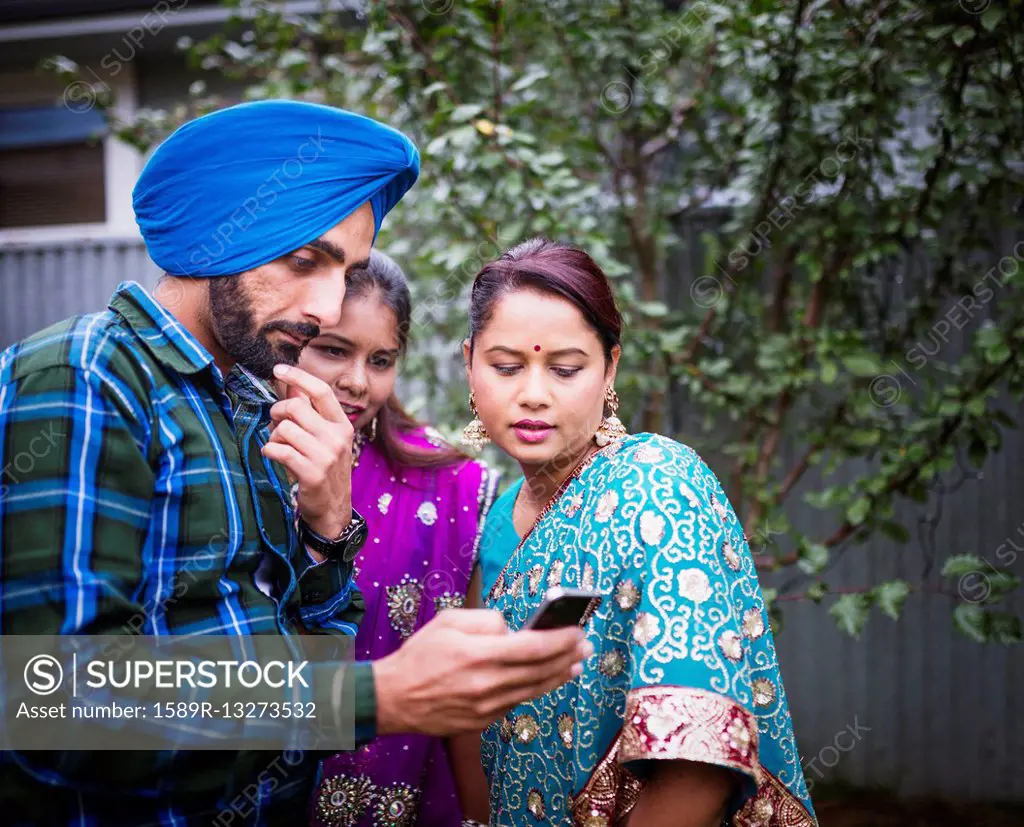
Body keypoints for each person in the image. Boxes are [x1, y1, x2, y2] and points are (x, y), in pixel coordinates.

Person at [0, 104, 588, 827]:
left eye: (347, 270)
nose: (327, 305)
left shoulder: (253, 406)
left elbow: (299, 678)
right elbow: (51, 697)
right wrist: (386, 695)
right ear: (218, 231)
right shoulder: (90, 374)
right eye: (304, 259)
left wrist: (328, 530)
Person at [452, 238, 818, 827]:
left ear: (610, 369)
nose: (534, 394)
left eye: (566, 368)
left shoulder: (656, 489)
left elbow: (696, 765)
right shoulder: (490, 523)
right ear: (469, 363)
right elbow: (469, 724)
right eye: (506, 366)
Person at [294, 250, 500, 827]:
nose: (357, 382)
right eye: (333, 349)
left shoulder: (449, 489)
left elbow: (465, 700)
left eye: (380, 359)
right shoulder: (233, 465)